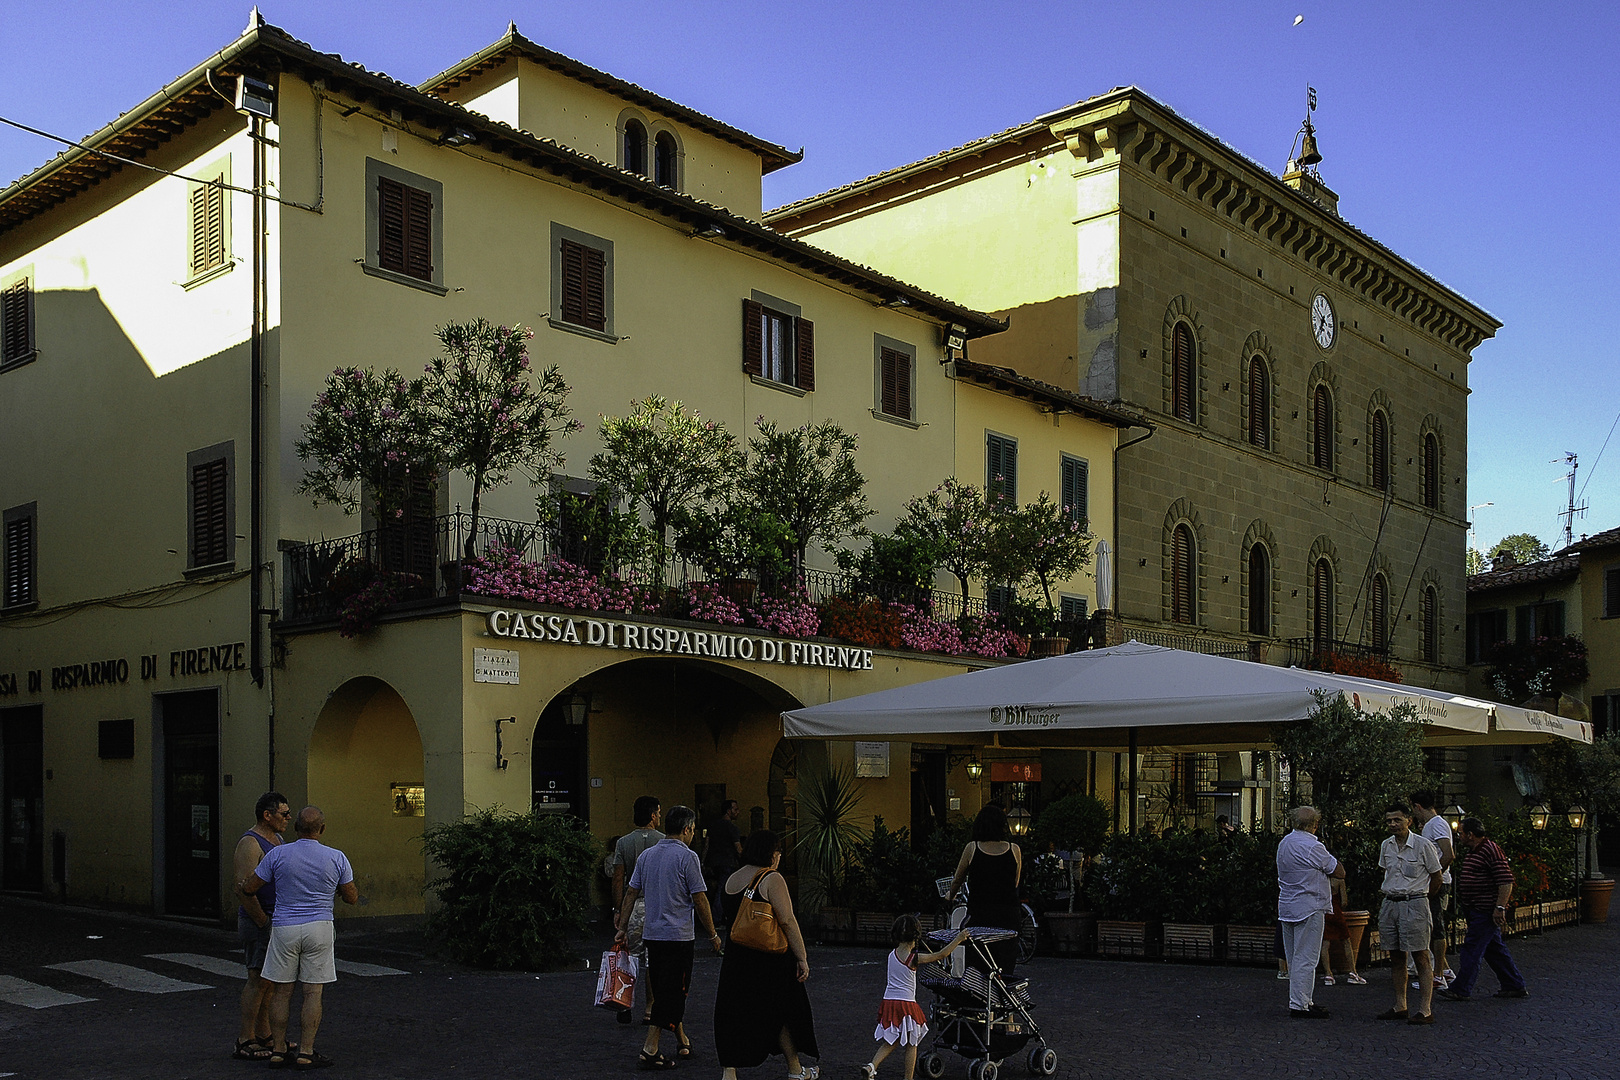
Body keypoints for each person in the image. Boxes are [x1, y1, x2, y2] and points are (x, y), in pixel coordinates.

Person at [241, 805, 359, 1069]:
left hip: (284, 927)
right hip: (319, 927)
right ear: (323, 829)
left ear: (296, 828)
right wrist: (337, 891)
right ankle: (306, 1051)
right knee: (312, 992)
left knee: (281, 992)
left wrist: (243, 887)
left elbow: (250, 887)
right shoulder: (336, 857)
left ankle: (279, 1049)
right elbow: (352, 897)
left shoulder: (279, 854)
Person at [615, 805, 721, 1071]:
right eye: (693, 830)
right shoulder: (688, 858)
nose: (693, 835)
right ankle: (650, 1048)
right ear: (686, 829)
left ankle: (682, 1039)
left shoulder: (648, 856)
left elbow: (630, 893)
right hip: (679, 936)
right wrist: (713, 934)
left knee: (667, 988)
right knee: (674, 992)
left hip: (653, 934)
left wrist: (622, 926)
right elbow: (700, 898)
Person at [714, 830, 821, 1080]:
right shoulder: (772, 879)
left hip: (736, 957)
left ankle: (729, 1072)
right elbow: (787, 920)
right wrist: (802, 957)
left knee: (734, 1012)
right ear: (772, 853)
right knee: (782, 1010)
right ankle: (795, 1068)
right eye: (779, 852)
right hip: (769, 958)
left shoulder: (732, 879)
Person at [861, 916, 970, 1080]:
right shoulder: (914, 958)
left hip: (889, 1001)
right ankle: (908, 1078)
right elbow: (942, 955)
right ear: (916, 936)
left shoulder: (892, 954)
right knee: (912, 1042)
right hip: (906, 1003)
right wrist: (959, 938)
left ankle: (872, 1066)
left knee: (892, 1039)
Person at [1437, 818, 1529, 1002]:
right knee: (1494, 949)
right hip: (1476, 909)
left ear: (1470, 835)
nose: (1459, 837)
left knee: (1471, 948)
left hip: (1484, 910)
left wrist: (1499, 907)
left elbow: (1505, 880)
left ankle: (1461, 988)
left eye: (1461, 833)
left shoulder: (1490, 850)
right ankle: (1514, 984)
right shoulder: (1475, 851)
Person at [231, 792, 289, 1060]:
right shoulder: (250, 843)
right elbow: (243, 888)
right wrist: (262, 921)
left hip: (274, 918)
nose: (288, 819)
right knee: (257, 979)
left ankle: (264, 1034)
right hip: (259, 920)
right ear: (268, 815)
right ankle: (246, 1038)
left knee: (269, 981)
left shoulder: (277, 840)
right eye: (284, 814)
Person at [1374, 803, 1442, 1025]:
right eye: (1389, 821)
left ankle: (1425, 1009)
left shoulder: (1423, 845)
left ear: (1408, 821)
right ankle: (1400, 1004)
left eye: (1397, 820)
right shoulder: (1386, 846)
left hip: (1415, 903)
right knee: (1395, 955)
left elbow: (1437, 876)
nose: (1393, 824)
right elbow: (1386, 872)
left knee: (1420, 955)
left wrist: (1422, 899)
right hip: (1390, 902)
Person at [1275, 805, 1344, 1018]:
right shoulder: (1313, 847)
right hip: (1310, 905)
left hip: (1287, 905)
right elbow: (1338, 871)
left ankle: (1303, 999)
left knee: (1294, 956)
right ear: (1314, 825)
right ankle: (1300, 1004)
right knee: (1307, 957)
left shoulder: (1284, 843)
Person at [947, 805, 1023, 976]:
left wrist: (950, 896)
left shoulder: (972, 848)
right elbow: (1015, 882)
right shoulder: (1014, 850)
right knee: (1005, 960)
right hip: (1008, 914)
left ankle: (980, 994)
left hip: (981, 913)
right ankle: (1002, 995)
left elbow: (958, 879)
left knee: (978, 959)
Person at [612, 796, 664, 1025]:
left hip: (632, 906)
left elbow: (618, 878)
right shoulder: (663, 842)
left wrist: (618, 909)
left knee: (630, 957)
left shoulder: (623, 843)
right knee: (653, 960)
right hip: (655, 906)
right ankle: (650, 1008)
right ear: (653, 815)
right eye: (659, 813)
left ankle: (624, 1002)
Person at [1410, 790, 1456, 989]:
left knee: (1435, 927)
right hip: (1434, 880)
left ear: (1417, 806)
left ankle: (1437, 976)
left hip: (1437, 882)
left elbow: (1448, 854)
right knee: (1431, 924)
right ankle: (1444, 969)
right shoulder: (1432, 825)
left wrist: (1435, 876)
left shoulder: (1436, 824)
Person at [1319, 876, 1366, 985]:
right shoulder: (1339, 880)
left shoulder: (1321, 879)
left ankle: (1328, 974)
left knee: (1325, 944)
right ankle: (1353, 972)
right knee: (1346, 941)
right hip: (1337, 912)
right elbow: (1344, 901)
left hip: (1325, 912)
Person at [704, 799, 744, 896]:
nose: (738, 812)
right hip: (727, 863)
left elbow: (706, 845)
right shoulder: (732, 828)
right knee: (722, 892)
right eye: (736, 809)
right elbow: (738, 848)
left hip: (712, 863)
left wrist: (703, 862)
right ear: (728, 811)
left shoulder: (712, 825)